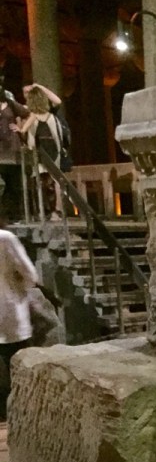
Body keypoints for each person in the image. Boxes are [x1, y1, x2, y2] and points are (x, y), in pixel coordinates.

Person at [0, 222, 38, 417]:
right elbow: (29, 273)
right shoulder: (5, 238)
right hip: (9, 309)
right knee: (18, 365)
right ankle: (21, 415)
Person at [18, 84, 63, 220]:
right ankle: (42, 212)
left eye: (29, 92)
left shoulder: (49, 114)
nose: (26, 94)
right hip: (37, 151)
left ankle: (53, 211)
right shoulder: (26, 111)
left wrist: (40, 87)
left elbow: (57, 101)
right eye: (24, 92)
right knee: (38, 182)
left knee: (50, 182)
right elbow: (23, 129)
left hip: (49, 150)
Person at [0, 74, 29, 222]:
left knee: (14, 184)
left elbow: (28, 113)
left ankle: (14, 215)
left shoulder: (10, 104)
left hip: (12, 148)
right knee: (2, 184)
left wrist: (21, 128)